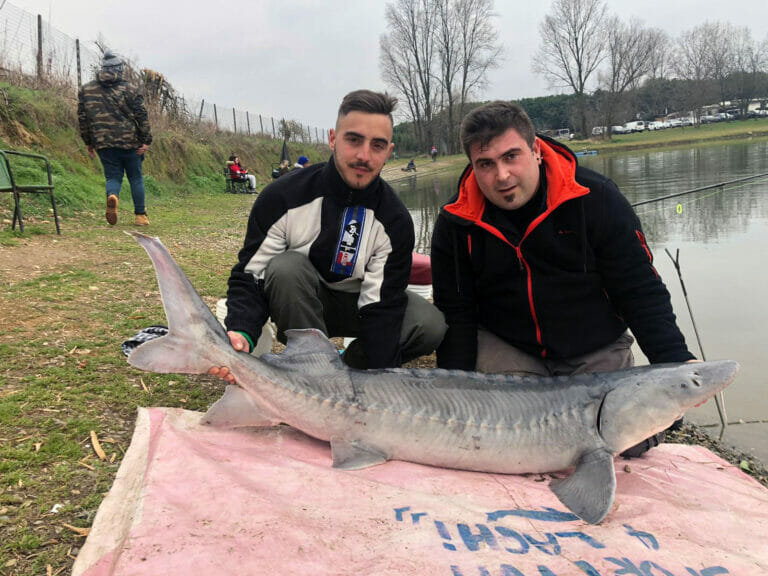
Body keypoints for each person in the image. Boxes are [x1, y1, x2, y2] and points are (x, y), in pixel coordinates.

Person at [430, 101, 696, 456]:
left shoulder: (597, 197)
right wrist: (454, 395)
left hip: (592, 346)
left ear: (536, 150)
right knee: (501, 438)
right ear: (473, 167)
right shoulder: (454, 222)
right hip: (512, 348)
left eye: (512, 157)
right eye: (486, 164)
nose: (502, 176)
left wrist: (675, 363)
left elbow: (639, 289)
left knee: (624, 445)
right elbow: (456, 312)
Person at [210, 89, 446, 381]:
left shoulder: (395, 220)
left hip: (358, 306)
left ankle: (349, 371)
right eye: (354, 140)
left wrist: (378, 378)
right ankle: (311, 374)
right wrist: (241, 330)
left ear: (389, 151)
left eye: (377, 145)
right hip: (298, 300)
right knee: (286, 268)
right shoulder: (282, 196)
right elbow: (250, 275)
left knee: (429, 323)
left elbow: (382, 308)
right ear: (333, 139)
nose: (364, 155)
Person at [78, 50, 152, 226]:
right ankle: (140, 216)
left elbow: (83, 117)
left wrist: (88, 141)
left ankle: (113, 196)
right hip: (130, 142)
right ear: (119, 70)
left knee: (113, 177)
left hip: (103, 143)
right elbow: (141, 116)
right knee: (135, 177)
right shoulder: (130, 89)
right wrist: (146, 140)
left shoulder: (87, 90)